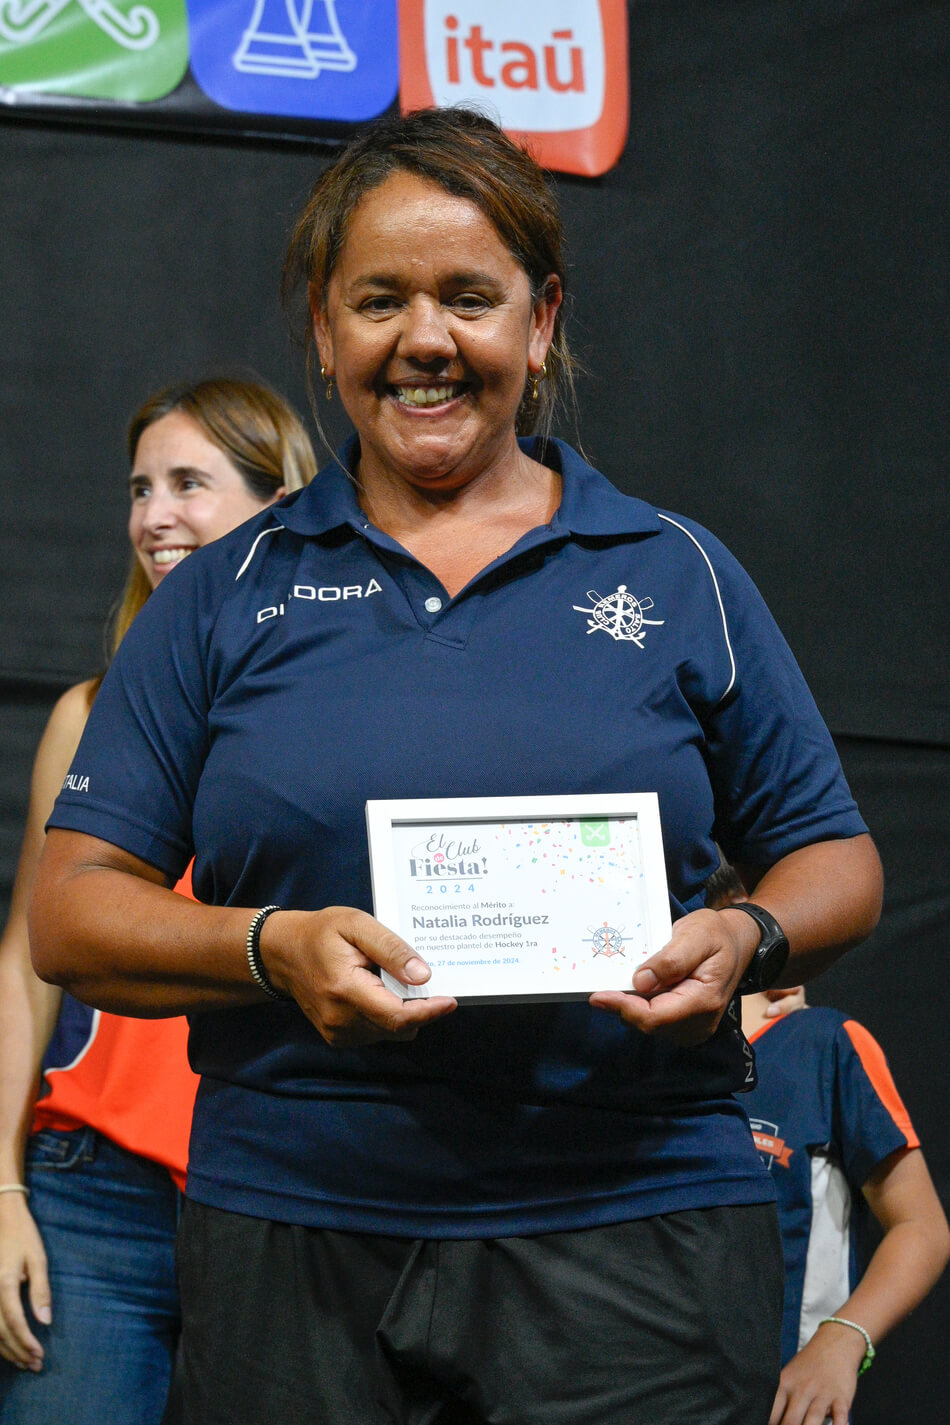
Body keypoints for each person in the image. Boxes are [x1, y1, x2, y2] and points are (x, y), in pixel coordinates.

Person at [30, 109, 884, 1425]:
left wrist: (746, 934)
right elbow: (72, 910)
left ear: (540, 323)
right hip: (294, 1231)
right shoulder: (225, 595)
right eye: (379, 299)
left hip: (635, 1221)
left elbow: (836, 858)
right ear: (324, 331)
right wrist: (269, 946)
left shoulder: (675, 573)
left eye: (468, 298)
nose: (423, 338)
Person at [0, 378, 315, 1423]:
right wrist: (2, 1190)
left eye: (189, 483)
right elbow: (24, 965)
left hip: (281, 1187)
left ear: (279, 503)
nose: (155, 516)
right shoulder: (89, 714)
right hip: (91, 1192)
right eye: (141, 489)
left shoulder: (336, 723)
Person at [707, 861, 949, 1425]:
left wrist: (841, 1339)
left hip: (787, 1402)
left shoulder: (824, 1044)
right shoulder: (639, 1068)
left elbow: (921, 1226)